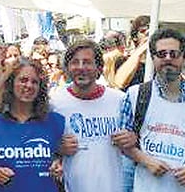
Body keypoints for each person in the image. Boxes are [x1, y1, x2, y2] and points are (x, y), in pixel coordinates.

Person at [118, 28, 185, 192]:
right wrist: (146, 160)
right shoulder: (135, 95)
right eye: (161, 54)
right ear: (153, 58)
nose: (167, 59)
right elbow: (123, 144)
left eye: (174, 54)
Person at [0, 58, 65, 192]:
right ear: (11, 83)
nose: (29, 86)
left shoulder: (56, 122)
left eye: (35, 82)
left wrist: (60, 165)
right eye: (23, 80)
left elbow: (64, 158)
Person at [50, 40, 127, 192]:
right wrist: (57, 149)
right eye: (75, 62)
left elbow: (136, 141)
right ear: (67, 68)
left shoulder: (120, 100)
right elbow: (43, 146)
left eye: (87, 62)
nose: (80, 68)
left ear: (99, 68)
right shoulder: (54, 103)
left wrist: (131, 139)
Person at [112, 15, 149, 89]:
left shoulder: (160, 60)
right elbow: (119, 82)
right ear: (135, 37)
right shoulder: (123, 60)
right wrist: (143, 47)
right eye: (143, 31)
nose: (147, 34)